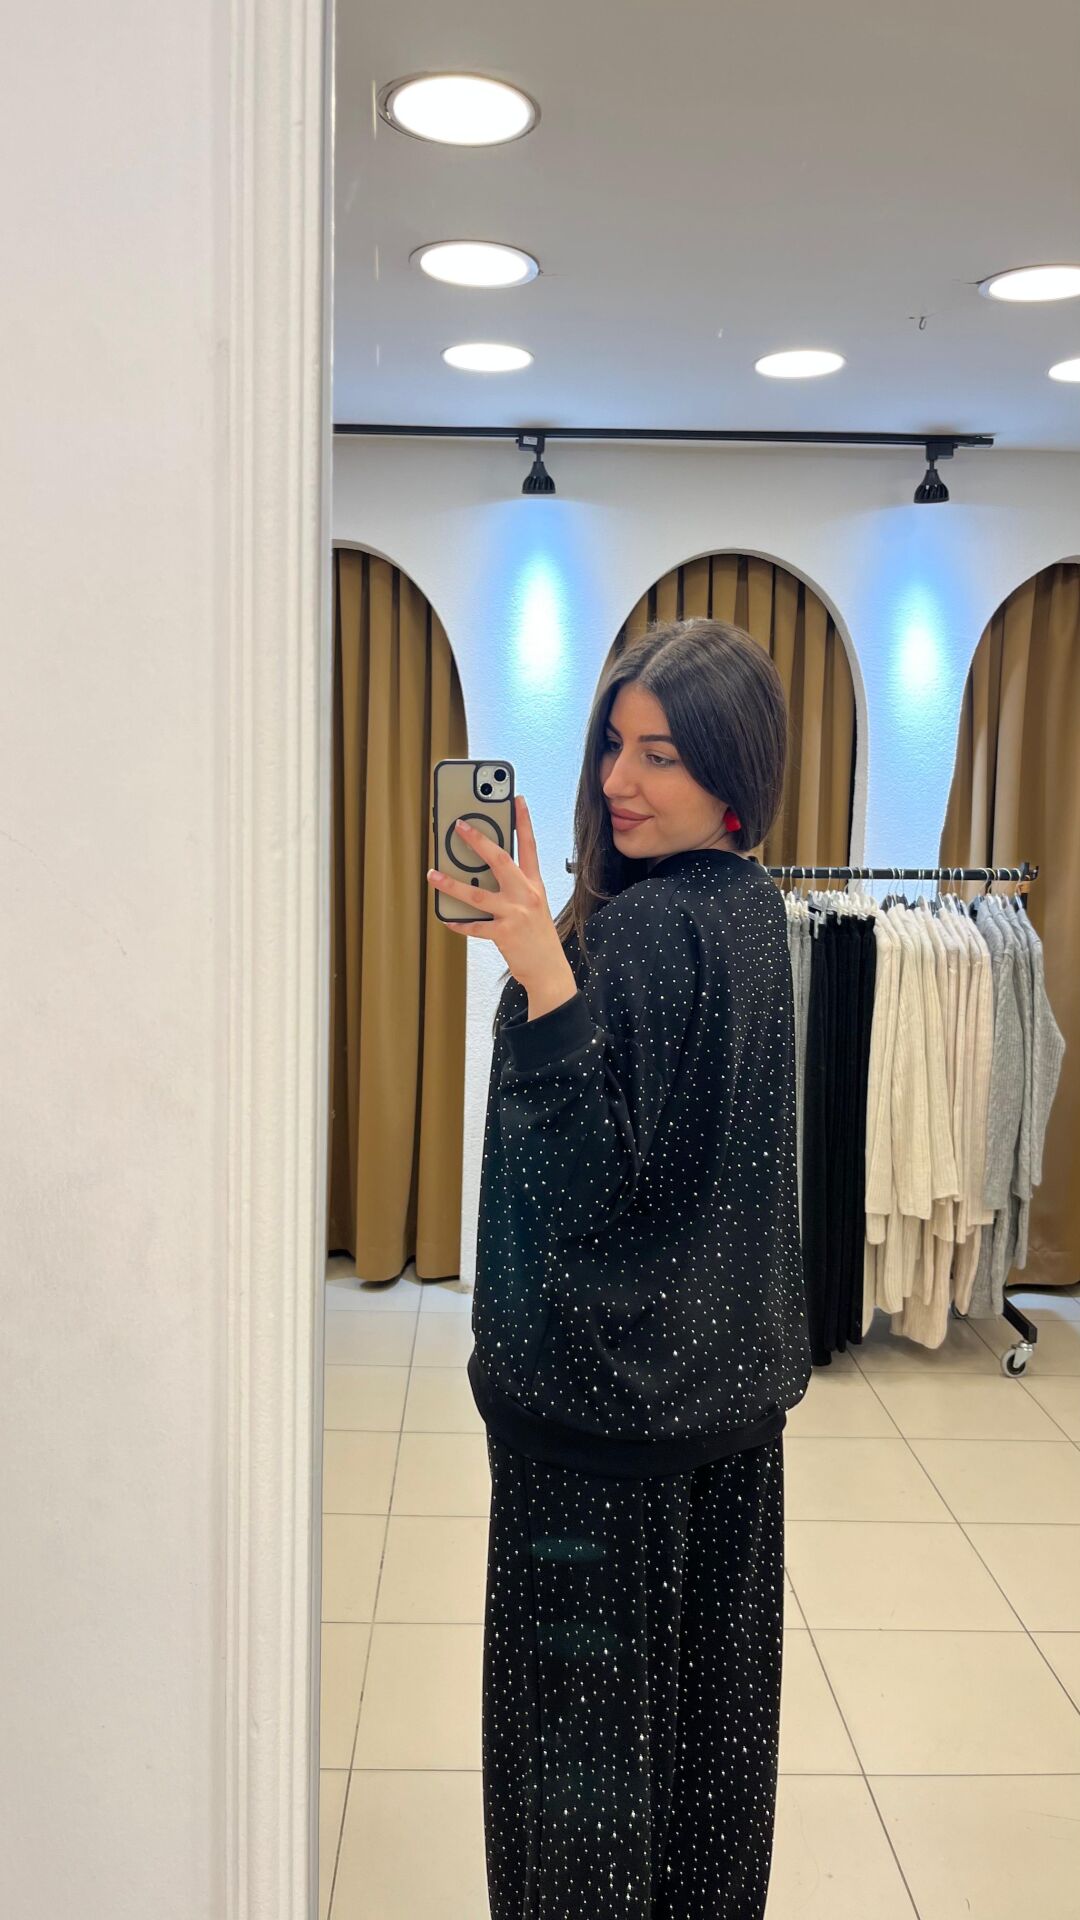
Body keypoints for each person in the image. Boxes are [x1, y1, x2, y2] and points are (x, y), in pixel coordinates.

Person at [426, 617, 813, 1919]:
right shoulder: (753, 911)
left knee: (581, 1784)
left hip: (598, 1432)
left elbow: (580, 1190)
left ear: (732, 777)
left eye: (662, 755)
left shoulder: (641, 935)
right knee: (706, 1761)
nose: (618, 781)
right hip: (725, 1412)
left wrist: (542, 968)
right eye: (613, 745)